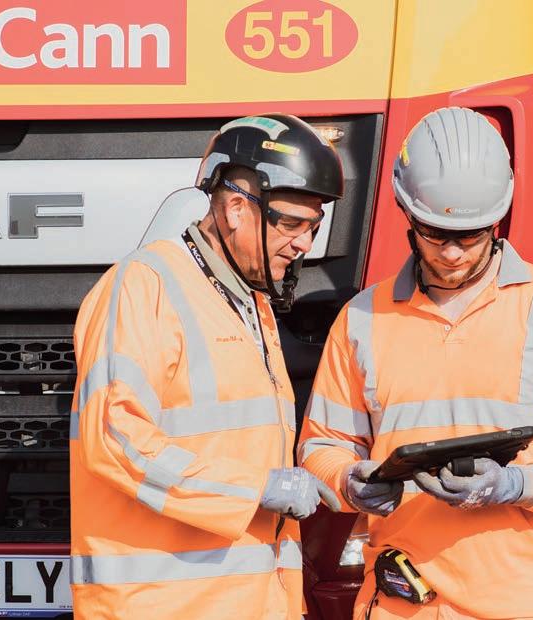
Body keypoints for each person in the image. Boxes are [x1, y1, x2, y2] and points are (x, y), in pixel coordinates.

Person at [298, 107, 533, 619]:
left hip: (519, 606)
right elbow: (322, 447)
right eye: (436, 233)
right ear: (408, 215)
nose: (453, 253)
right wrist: (349, 482)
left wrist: (517, 485)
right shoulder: (362, 319)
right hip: (402, 603)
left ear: (497, 220)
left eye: (470, 235)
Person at [69, 114, 344, 619]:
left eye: (314, 226)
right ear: (236, 208)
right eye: (291, 224)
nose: (305, 243)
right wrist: (257, 489)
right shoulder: (144, 285)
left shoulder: (248, 302)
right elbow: (114, 437)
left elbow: (232, 445)